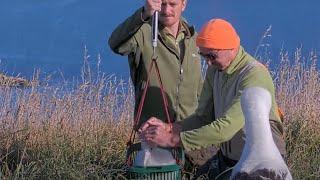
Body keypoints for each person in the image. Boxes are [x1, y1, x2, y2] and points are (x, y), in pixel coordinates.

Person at [139, 18, 286, 179]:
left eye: (212, 56)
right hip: (229, 159)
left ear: (231, 48)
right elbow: (203, 117)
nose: (208, 63)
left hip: (263, 165)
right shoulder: (215, 70)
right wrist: (169, 128)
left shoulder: (254, 75)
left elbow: (225, 128)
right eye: (203, 56)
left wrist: (172, 139)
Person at [108, 0, 216, 171]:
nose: (166, 10)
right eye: (162, 4)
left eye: (173, 4)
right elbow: (115, 44)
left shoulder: (193, 37)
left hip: (192, 134)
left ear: (184, 4)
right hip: (155, 137)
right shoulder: (143, 32)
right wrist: (144, 13)